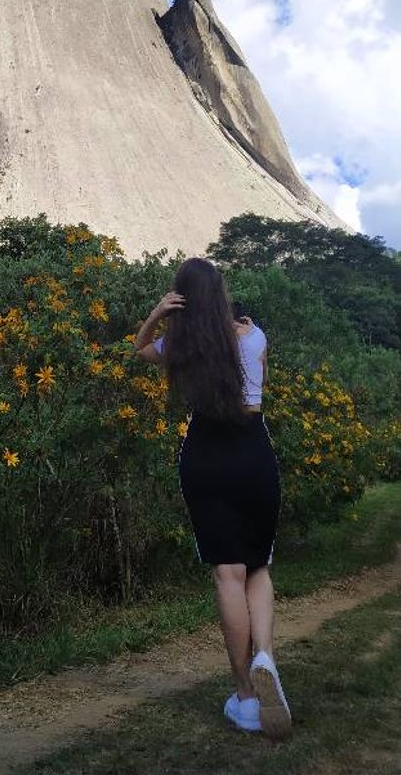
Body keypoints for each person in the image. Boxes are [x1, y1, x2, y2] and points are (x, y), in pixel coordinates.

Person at [134, 258, 291, 740]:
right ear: (222, 294)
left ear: (183, 298)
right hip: (253, 455)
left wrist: (157, 314)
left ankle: (245, 695)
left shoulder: (178, 345)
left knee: (228, 574)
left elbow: (139, 350)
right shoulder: (255, 337)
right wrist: (248, 329)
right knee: (258, 566)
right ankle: (265, 656)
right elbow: (258, 374)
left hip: (205, 459)